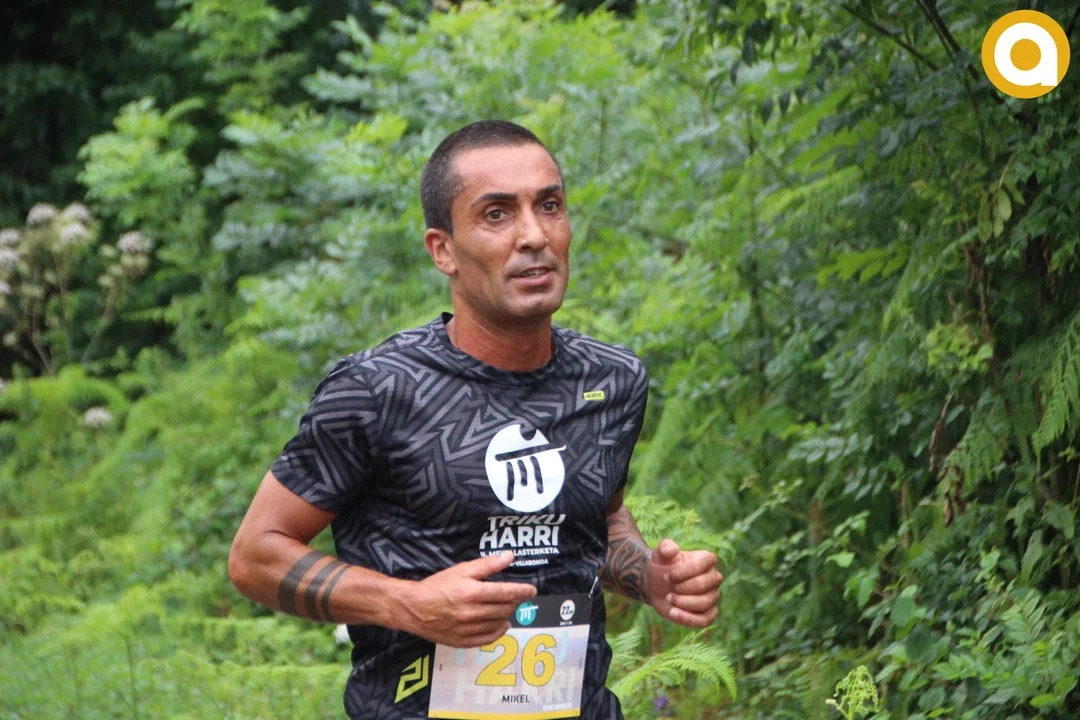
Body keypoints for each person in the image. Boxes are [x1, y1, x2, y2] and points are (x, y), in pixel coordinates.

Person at [228, 120, 724, 720]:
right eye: (496, 214)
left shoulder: (611, 381)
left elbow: (599, 518)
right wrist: (406, 604)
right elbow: (255, 556)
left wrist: (649, 577)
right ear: (443, 250)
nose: (534, 235)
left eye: (550, 206)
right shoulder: (377, 390)